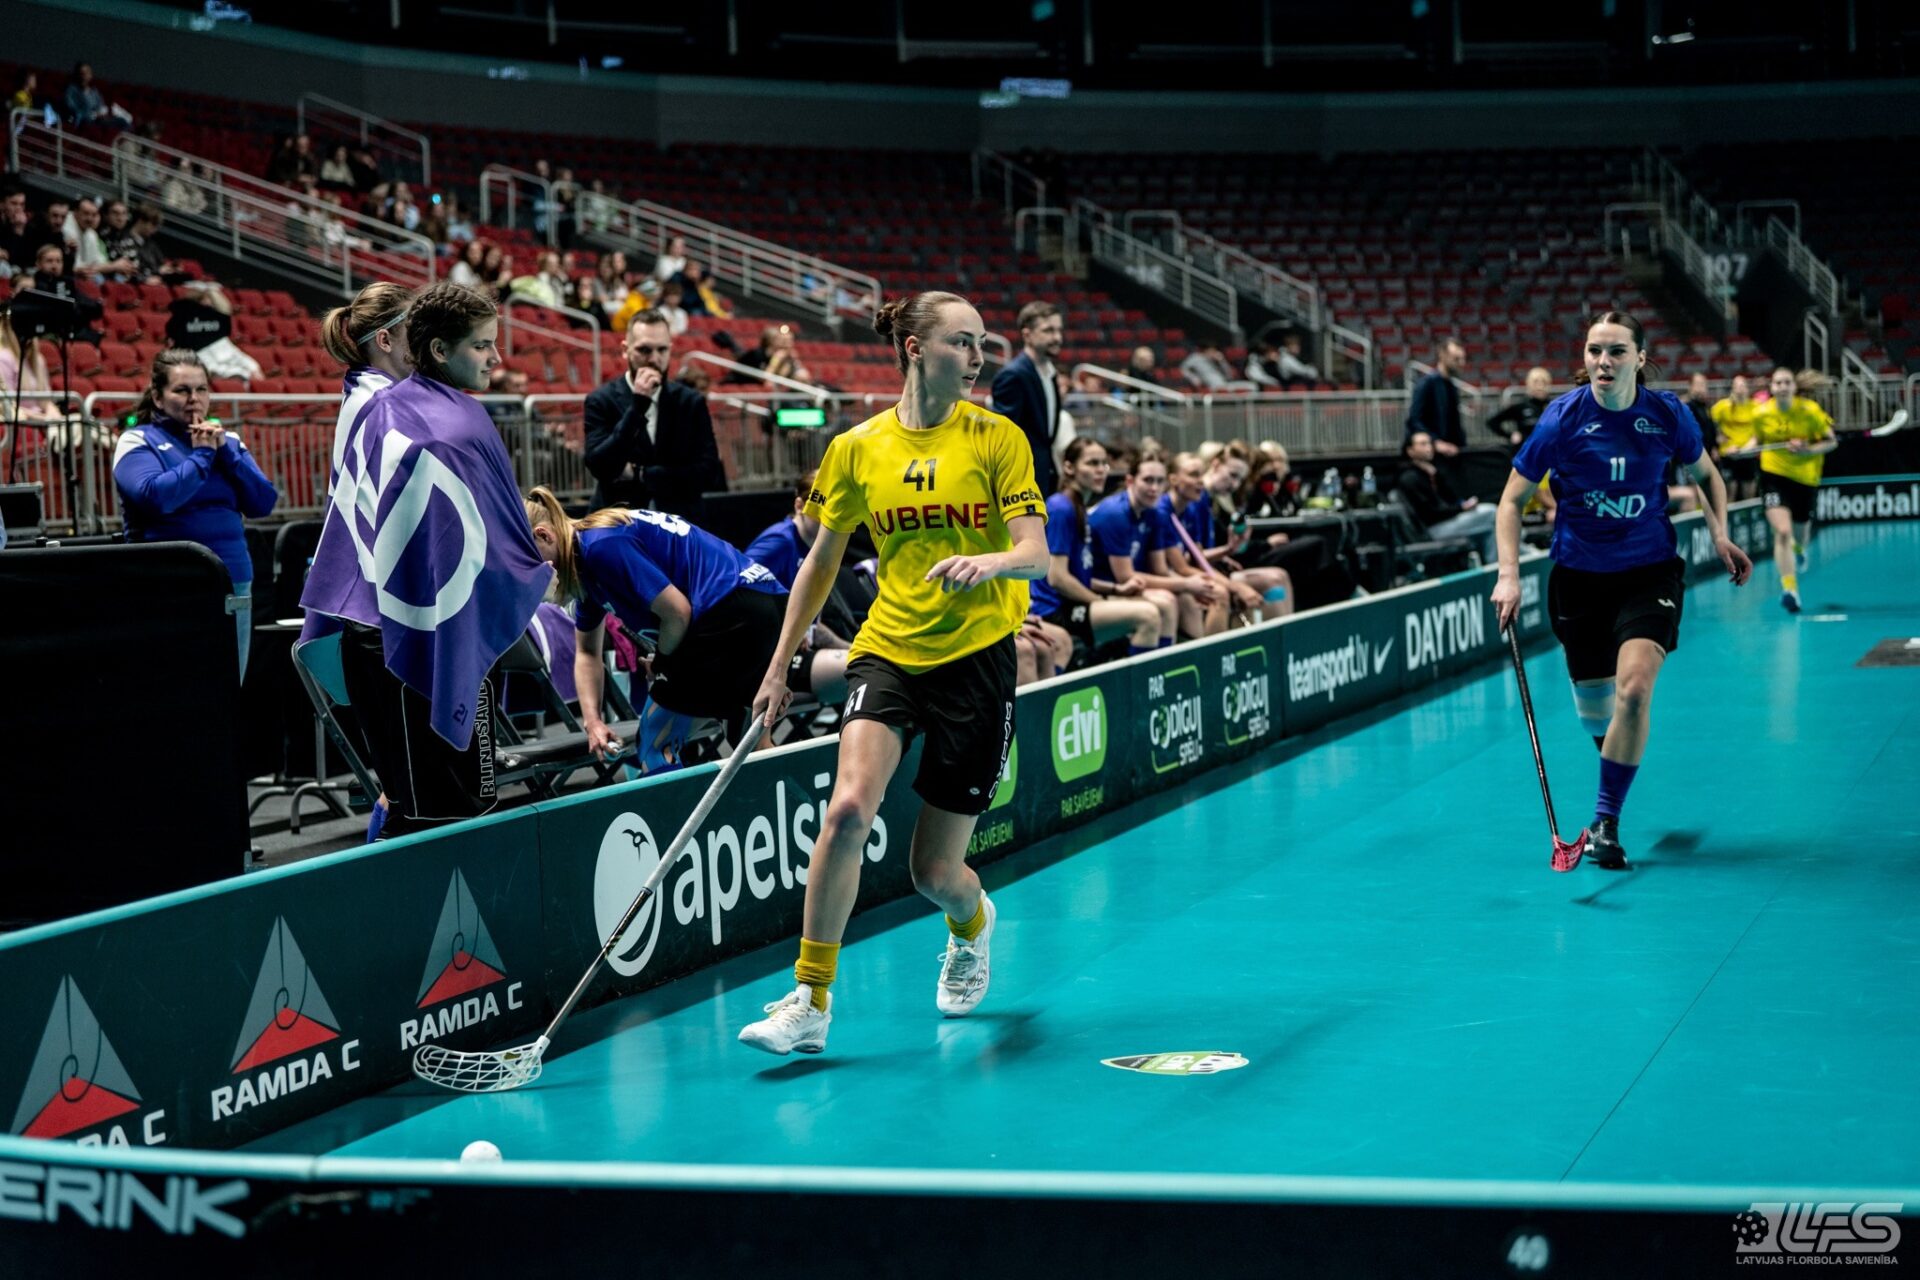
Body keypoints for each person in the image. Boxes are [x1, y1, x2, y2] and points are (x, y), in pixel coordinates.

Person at [736, 290, 1049, 1056]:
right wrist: (779, 668)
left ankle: (971, 924)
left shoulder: (997, 437)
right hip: (889, 649)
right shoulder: (856, 447)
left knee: (933, 872)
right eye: (961, 343)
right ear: (915, 348)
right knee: (847, 810)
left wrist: (991, 562)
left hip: (977, 656)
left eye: (981, 345)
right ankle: (810, 1000)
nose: (977, 359)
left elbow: (1036, 552)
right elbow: (820, 561)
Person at [1490, 311, 1751, 871]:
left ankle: (1605, 822)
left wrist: (1720, 534)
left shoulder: (1667, 415)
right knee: (1597, 718)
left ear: (1640, 358)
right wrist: (1508, 574)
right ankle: (1616, 755)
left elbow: (1708, 476)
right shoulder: (1562, 420)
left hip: (1648, 571)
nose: (1602, 361)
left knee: (1634, 689)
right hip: (1579, 579)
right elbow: (1510, 502)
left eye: (1615, 351)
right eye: (1594, 351)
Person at [301, 282, 552, 839]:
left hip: (412, 627)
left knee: (427, 805)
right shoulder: (410, 418)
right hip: (409, 630)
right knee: (429, 814)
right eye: (482, 345)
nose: (496, 357)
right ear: (433, 348)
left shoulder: (424, 409)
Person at [523, 487, 786, 772]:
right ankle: (796, 792)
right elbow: (587, 653)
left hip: (731, 614)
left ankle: (683, 806)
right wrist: (593, 722)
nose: (530, 578)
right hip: (760, 604)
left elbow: (677, 613)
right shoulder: (586, 563)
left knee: (654, 745)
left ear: (544, 535)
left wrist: (663, 663)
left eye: (530, 565)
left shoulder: (600, 547)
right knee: (750, 745)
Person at [113, 349, 279, 676]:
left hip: (233, 580)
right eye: (182, 390)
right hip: (168, 583)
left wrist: (226, 454)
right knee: (175, 684)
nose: (194, 398)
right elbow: (156, 497)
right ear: (158, 398)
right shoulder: (137, 440)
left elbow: (263, 503)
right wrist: (202, 456)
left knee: (230, 684)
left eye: (201, 389)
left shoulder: (228, 442)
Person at [582, 308, 725, 520]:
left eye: (662, 350)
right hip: (620, 521)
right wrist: (637, 408)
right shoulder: (601, 400)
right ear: (625, 350)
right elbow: (600, 466)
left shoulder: (690, 402)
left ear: (670, 350)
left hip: (679, 521)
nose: (654, 358)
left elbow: (708, 472)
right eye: (644, 350)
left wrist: (641, 474)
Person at [1031, 437, 1167, 658]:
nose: (1101, 470)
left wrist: (1115, 590)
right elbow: (1057, 578)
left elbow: (1079, 575)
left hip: (1074, 603)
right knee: (1147, 615)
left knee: (1160, 605)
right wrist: (1098, 601)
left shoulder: (1079, 507)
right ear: (1069, 467)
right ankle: (1146, 681)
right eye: (1092, 463)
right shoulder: (1060, 507)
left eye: (1104, 463)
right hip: (1054, 609)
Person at [745, 471, 853, 706]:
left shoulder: (818, 549)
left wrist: (856, 648)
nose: (828, 520)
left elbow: (814, 629)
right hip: (767, 661)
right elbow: (739, 594)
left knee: (871, 660)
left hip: (801, 651)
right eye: (821, 512)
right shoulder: (779, 543)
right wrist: (781, 628)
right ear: (800, 506)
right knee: (862, 672)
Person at [1088, 449, 1217, 642]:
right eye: (1148, 480)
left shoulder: (1155, 512)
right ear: (1130, 481)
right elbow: (1125, 577)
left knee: (1187, 600)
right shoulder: (1114, 513)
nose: (1154, 488)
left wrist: (1191, 587)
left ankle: (1198, 657)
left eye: (1159, 481)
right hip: (1104, 588)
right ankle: (1160, 661)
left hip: (1136, 586)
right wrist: (1186, 584)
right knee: (1167, 602)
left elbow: (1160, 570)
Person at [1165, 450, 1293, 621]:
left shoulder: (1194, 505)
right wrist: (1234, 583)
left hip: (1206, 569)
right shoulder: (1184, 506)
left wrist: (1228, 551)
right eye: (1232, 476)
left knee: (1280, 575)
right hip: (1184, 575)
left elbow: (1197, 556)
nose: (1235, 484)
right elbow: (1186, 564)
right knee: (1261, 583)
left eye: (1239, 479)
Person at [1752, 366, 1836, 614]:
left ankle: (1799, 549)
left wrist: (1807, 449)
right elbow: (1757, 440)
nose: (1782, 387)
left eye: (1787, 382)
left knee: (1799, 536)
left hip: (1805, 479)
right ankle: (1790, 590)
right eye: (1778, 383)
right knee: (1782, 531)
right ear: (1772, 387)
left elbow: (1830, 441)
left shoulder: (1810, 411)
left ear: (1794, 387)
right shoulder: (1761, 413)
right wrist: (1741, 448)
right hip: (1773, 476)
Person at [319, 281, 414, 488]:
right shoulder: (385, 405)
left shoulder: (364, 387)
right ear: (385, 341)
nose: (424, 340)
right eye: (414, 330)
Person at [991, 300, 1066, 498]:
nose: (1057, 337)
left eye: (1059, 330)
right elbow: (1003, 436)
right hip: (1022, 479)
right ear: (1027, 335)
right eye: (1048, 330)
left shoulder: (1051, 373)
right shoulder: (1013, 375)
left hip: (1045, 472)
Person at [1396, 430, 1498, 564]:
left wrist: (1436, 477)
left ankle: (1496, 567)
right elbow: (1431, 513)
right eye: (1422, 444)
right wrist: (1461, 508)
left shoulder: (1432, 472)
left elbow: (1451, 497)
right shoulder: (1409, 478)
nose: (1428, 447)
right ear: (1410, 450)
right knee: (1492, 512)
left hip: (1449, 520)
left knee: (1489, 531)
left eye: (1430, 443)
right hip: (1434, 529)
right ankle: (1520, 555)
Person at [1406, 337, 1468, 457]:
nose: (1461, 363)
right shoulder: (1427, 383)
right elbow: (1415, 420)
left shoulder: (1451, 387)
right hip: (1431, 454)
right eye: (1456, 359)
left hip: (1451, 452)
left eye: (1463, 359)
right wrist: (1435, 442)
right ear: (1442, 355)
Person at [1711, 374, 1761, 502]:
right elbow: (1710, 425)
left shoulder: (1756, 407)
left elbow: (1758, 434)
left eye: (1743, 385)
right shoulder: (1721, 407)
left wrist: (1744, 450)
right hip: (1728, 455)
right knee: (1729, 494)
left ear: (1747, 388)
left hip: (1748, 455)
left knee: (1749, 495)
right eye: (1737, 386)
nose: (1740, 389)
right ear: (1732, 389)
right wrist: (1718, 439)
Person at [1487, 366, 1554, 448]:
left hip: (1549, 450)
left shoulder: (1555, 406)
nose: (1540, 386)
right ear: (1529, 385)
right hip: (1527, 450)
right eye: (1535, 382)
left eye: (1544, 382)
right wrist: (1510, 435)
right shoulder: (1521, 406)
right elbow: (1492, 422)